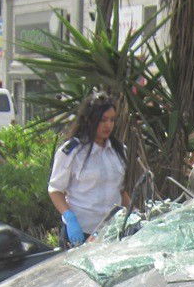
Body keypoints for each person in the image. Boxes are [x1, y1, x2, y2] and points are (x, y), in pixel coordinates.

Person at [48, 92, 131, 247]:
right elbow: (55, 190)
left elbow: (120, 190)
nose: (109, 125)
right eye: (103, 120)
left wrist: (132, 214)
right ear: (90, 120)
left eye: (112, 120)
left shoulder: (119, 150)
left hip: (113, 232)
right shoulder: (72, 151)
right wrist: (70, 219)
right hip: (82, 231)